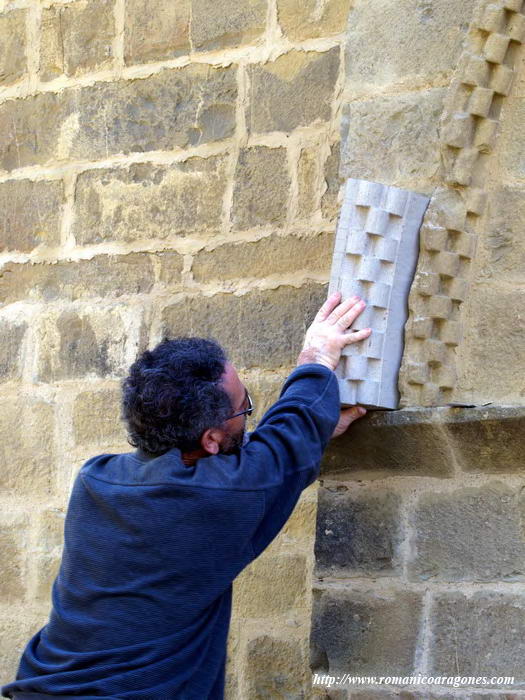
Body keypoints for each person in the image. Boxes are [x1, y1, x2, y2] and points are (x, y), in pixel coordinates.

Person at [2, 291, 371, 700]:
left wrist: (317, 431)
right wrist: (316, 357)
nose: (249, 412)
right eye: (245, 407)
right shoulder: (216, 498)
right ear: (211, 439)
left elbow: (248, 467)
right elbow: (284, 442)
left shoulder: (97, 479)